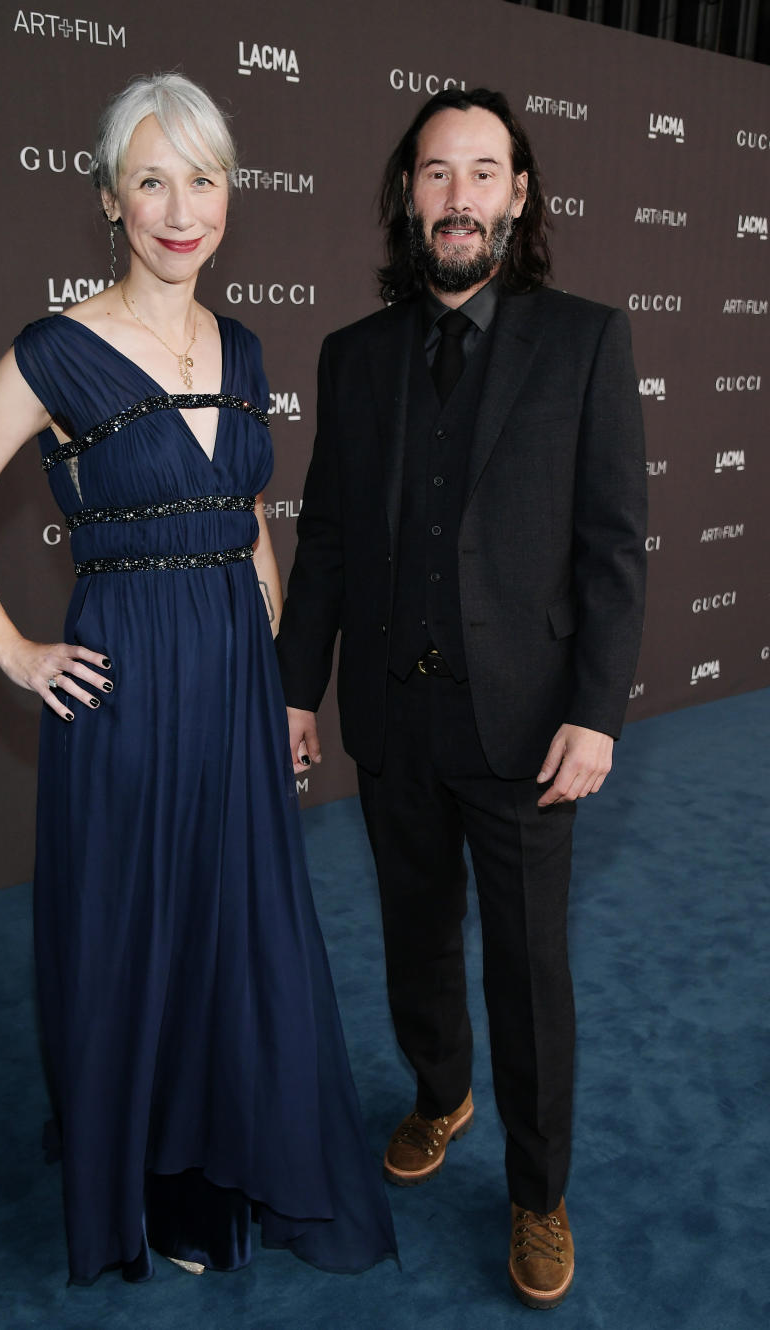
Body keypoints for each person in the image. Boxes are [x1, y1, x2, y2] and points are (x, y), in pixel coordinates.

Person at [0, 72, 395, 1287]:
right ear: (110, 200)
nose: (183, 208)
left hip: (234, 676)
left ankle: (211, 1155)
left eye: (205, 179)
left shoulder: (241, 343)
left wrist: (286, 683)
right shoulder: (56, 351)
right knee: (139, 931)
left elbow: (246, 523)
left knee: (232, 928)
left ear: (231, 191)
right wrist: (19, 652)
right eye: (152, 180)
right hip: (125, 689)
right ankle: (135, 1162)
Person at [276, 87, 647, 1310]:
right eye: (437, 173)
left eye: (483, 173)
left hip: (530, 727)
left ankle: (538, 1194)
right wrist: (295, 690)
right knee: (416, 936)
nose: (459, 197)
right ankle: (441, 1093)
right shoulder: (354, 356)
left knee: (531, 972)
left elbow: (611, 547)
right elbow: (325, 539)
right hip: (394, 719)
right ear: (407, 194)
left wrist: (596, 711)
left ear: (520, 196)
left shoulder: (587, 340)